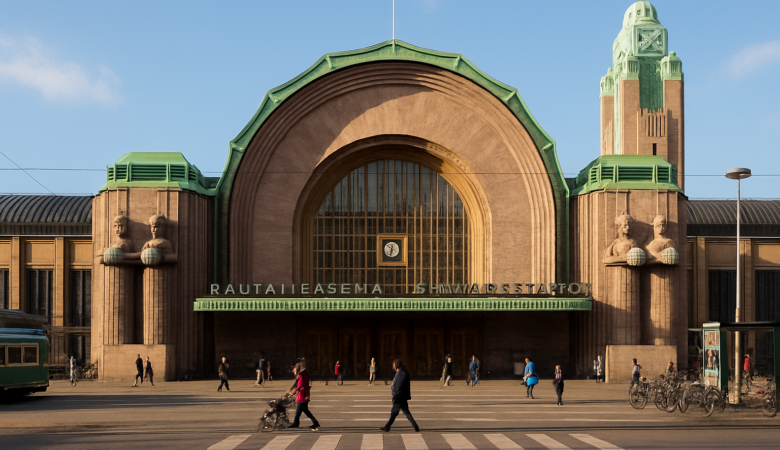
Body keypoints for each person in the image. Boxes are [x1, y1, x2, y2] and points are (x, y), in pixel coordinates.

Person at [380, 359, 419, 433]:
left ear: (396, 365)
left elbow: (398, 386)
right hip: (401, 395)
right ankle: (415, 426)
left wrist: (395, 396)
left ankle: (387, 427)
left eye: (393, 365)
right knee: (406, 411)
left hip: (399, 396)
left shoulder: (402, 374)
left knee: (394, 412)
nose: (392, 367)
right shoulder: (400, 373)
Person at [288, 362, 320, 431]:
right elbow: (297, 383)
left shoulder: (302, 375)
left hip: (302, 395)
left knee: (298, 411)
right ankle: (315, 423)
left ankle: (296, 423)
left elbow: (300, 385)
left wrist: (294, 391)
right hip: (304, 394)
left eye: (295, 368)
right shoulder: (303, 374)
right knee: (305, 411)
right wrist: (292, 388)